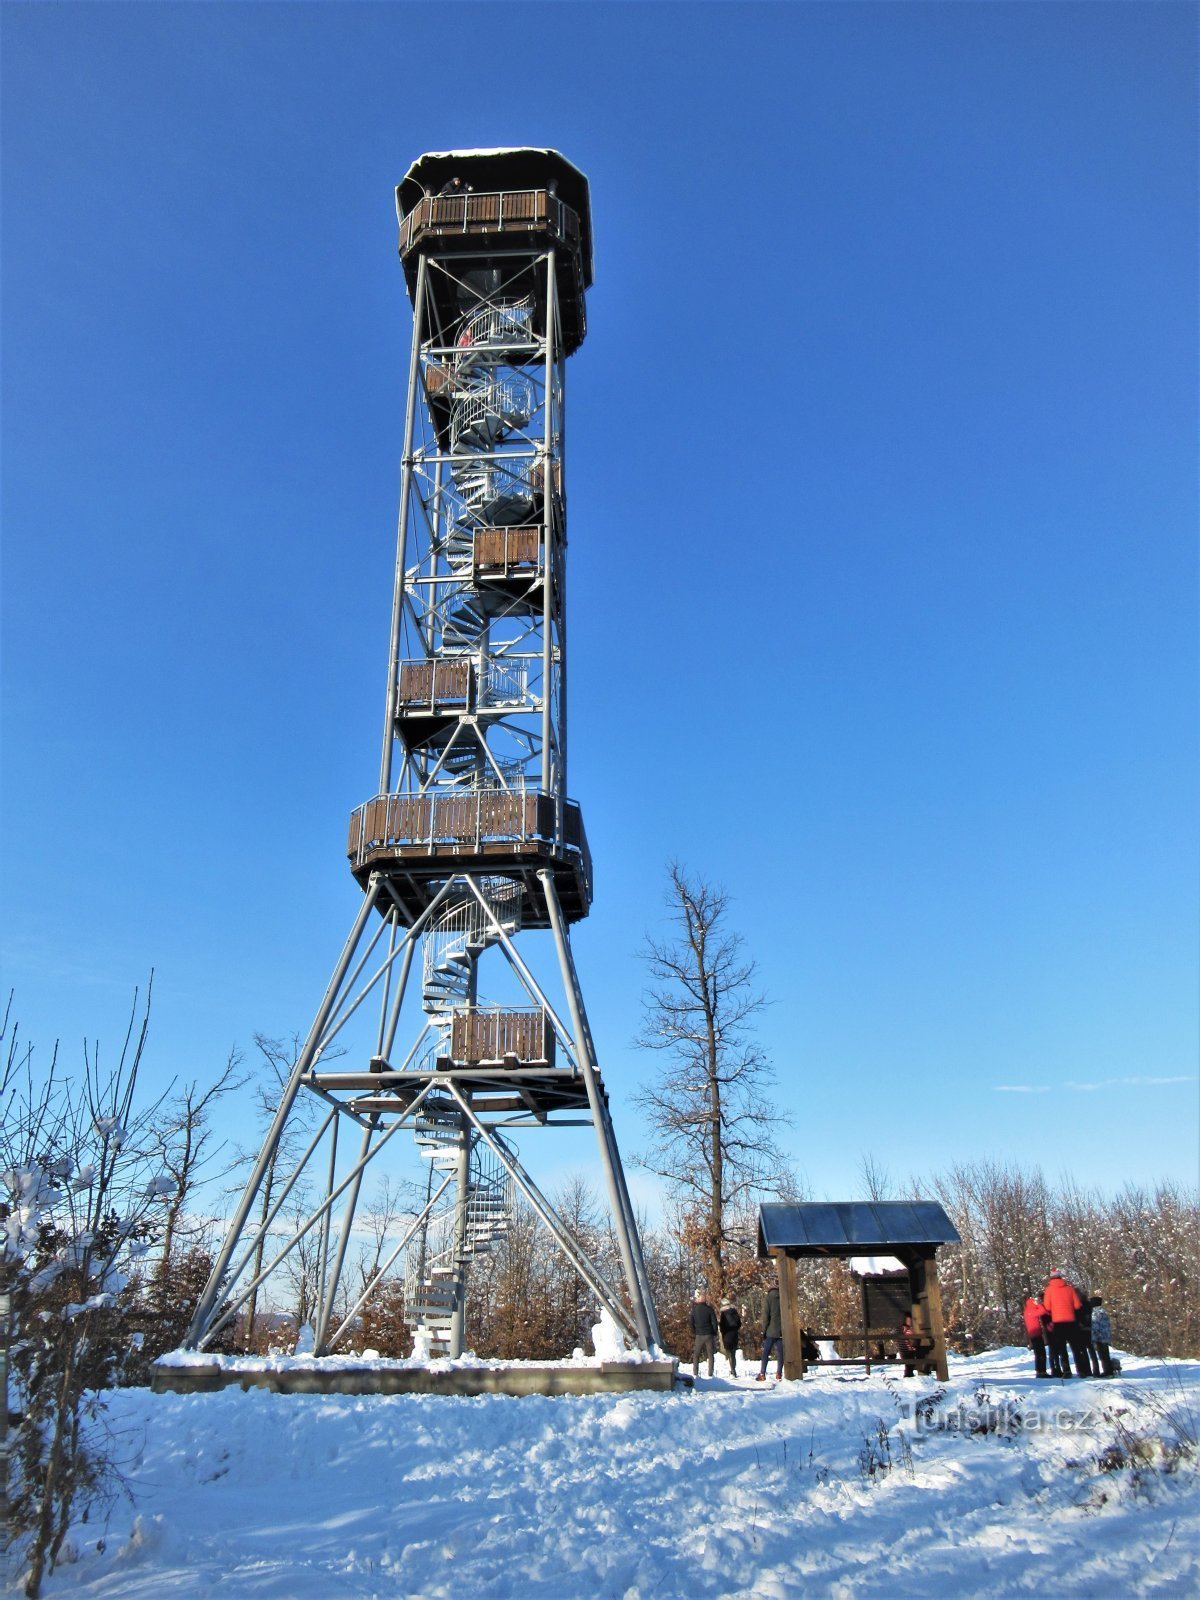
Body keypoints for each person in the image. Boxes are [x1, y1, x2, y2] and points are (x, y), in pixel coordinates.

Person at [1042, 1269, 1083, 1378]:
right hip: (1071, 1321)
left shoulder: (1049, 1290)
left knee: (1062, 1348)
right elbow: (1077, 1305)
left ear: (1051, 1278)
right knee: (1076, 1347)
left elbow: (1047, 1307)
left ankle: (1067, 1371)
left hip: (1058, 1322)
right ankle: (1081, 1369)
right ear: (1060, 1277)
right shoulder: (1069, 1289)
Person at [756, 1284, 784, 1381]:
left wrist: (764, 1330)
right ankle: (779, 1373)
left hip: (770, 1331)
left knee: (766, 1352)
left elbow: (766, 1316)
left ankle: (762, 1373)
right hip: (781, 1330)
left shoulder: (768, 1298)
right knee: (780, 1353)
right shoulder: (783, 1297)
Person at [689, 1289, 718, 1379]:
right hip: (709, 1334)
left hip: (699, 1334)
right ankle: (710, 1373)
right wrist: (714, 1332)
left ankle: (695, 1372)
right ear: (705, 1300)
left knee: (696, 1354)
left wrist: (694, 1331)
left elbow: (691, 1322)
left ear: (698, 1300)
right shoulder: (709, 1309)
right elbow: (714, 1322)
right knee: (710, 1354)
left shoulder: (694, 1310)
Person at [1023, 1290, 1052, 1378]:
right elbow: (1042, 1311)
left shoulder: (1027, 1311)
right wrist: (1038, 1304)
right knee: (1041, 1353)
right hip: (1035, 1334)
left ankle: (1040, 1371)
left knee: (1039, 1353)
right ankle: (1041, 1371)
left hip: (1033, 1334)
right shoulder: (1030, 1311)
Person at [1090, 1297, 1116, 1376]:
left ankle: (1107, 1372)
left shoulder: (1095, 1313)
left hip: (1099, 1337)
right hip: (1105, 1336)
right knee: (1106, 1355)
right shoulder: (1103, 1311)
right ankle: (1109, 1370)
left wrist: (1093, 1338)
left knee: (1102, 1355)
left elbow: (1095, 1326)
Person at [718, 1298, 742, 1376]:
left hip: (727, 1334)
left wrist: (723, 1332)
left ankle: (732, 1370)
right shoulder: (734, 1311)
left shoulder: (723, 1313)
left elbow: (722, 1325)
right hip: (734, 1334)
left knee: (730, 1353)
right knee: (733, 1353)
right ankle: (733, 1369)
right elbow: (739, 1323)